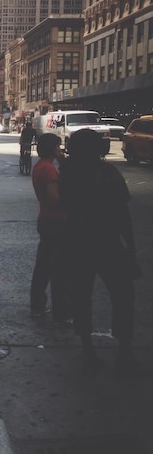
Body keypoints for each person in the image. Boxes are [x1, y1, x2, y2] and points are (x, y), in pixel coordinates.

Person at [58, 128, 141, 374]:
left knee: (81, 295)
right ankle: (124, 350)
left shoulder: (68, 174)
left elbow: (66, 206)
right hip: (108, 243)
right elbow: (123, 214)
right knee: (123, 296)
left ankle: (87, 348)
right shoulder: (108, 173)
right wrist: (131, 247)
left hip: (78, 242)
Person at [30, 133, 72, 327]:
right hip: (57, 220)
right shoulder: (49, 170)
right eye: (58, 147)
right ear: (52, 148)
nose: (60, 150)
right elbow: (55, 197)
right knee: (60, 268)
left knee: (44, 265)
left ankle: (37, 305)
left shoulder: (39, 167)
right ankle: (61, 311)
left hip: (46, 218)